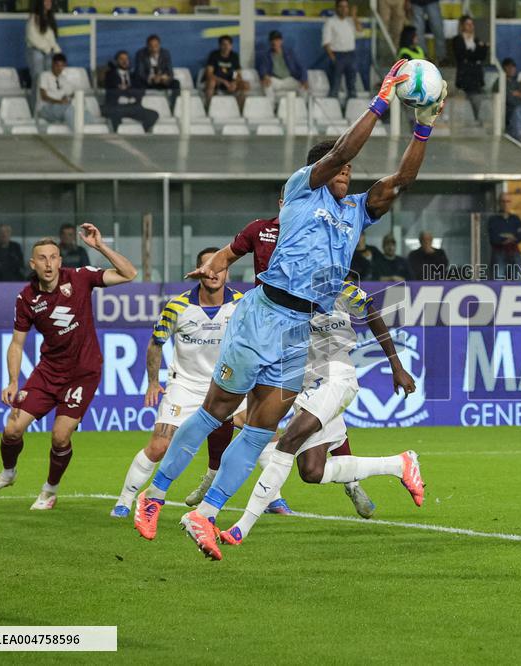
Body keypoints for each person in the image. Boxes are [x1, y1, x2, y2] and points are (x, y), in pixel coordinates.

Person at [131, 62, 442, 559]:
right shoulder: (302, 189)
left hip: (300, 330)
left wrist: (424, 123)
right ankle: (155, 495)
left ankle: (205, 514)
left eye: (350, 171)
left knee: (259, 432)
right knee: (216, 411)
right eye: (340, 168)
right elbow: (341, 149)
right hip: (263, 314)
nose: (347, 172)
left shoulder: (357, 210)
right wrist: (381, 101)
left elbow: (404, 176)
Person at [197, 208, 382, 518]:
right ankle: (264, 497)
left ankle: (249, 510)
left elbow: (372, 310)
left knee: (300, 443)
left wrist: (396, 364)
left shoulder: (333, 287)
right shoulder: (267, 301)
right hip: (293, 370)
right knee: (287, 439)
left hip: (323, 372)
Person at [217, 277, 417, 547]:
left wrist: (396, 366)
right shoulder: (282, 294)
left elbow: (373, 315)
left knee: (287, 442)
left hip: (337, 376)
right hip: (304, 383)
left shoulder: (340, 289)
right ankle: (399, 464)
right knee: (312, 471)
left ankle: (242, 527)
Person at [0, 224, 136, 510]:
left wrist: (100, 247)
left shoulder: (80, 277)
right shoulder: (26, 298)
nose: (48, 263)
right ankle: (8, 474)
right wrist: (13, 382)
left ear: (60, 261)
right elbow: (16, 344)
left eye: (53, 257)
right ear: (32, 263)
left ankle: (49, 490)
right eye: (42, 258)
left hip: (83, 372)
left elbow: (129, 273)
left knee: (60, 436)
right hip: (48, 372)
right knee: (12, 429)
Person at [111, 248, 243, 519]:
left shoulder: (241, 304)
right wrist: (152, 382)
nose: (215, 273)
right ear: (198, 272)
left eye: (220, 268)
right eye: (208, 268)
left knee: (266, 432)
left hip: (226, 385)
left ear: (227, 271)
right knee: (159, 445)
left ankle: (273, 499)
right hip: (185, 386)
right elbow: (155, 343)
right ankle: (125, 499)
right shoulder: (178, 306)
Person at [103, 51, 159, 133]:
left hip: (134, 107)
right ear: (116, 61)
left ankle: (142, 134)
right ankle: (118, 138)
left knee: (153, 115)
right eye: (121, 59)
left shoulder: (134, 76)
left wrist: (126, 89)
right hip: (117, 107)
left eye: (126, 59)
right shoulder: (110, 75)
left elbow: (141, 92)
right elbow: (113, 92)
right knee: (114, 115)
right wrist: (131, 91)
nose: (124, 61)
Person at [37, 54, 95, 131]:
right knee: (69, 110)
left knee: (85, 112)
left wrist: (69, 97)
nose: (59, 68)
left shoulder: (63, 79)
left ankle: (89, 134)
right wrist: (59, 101)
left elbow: (71, 93)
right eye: (57, 65)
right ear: (52, 64)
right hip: (46, 108)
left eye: (62, 66)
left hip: (60, 107)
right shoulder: (45, 75)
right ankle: (78, 134)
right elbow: (43, 96)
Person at [453, 15, 489, 123]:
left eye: (472, 24)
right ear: (462, 26)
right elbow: (461, 55)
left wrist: (472, 54)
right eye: (468, 24)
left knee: (478, 101)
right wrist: (476, 53)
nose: (470, 26)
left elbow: (482, 56)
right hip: (465, 76)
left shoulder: (476, 40)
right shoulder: (458, 40)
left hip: (476, 77)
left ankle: (478, 121)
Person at [323, 0, 361, 101]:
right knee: (335, 85)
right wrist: (333, 58)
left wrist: (354, 16)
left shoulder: (350, 21)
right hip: (337, 55)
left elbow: (360, 30)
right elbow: (326, 43)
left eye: (346, 7)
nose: (344, 9)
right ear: (336, 8)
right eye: (341, 7)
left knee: (352, 85)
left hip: (351, 55)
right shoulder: (330, 22)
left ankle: (351, 107)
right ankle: (332, 107)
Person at [257, 30, 308, 100]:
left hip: (289, 79)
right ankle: (271, 108)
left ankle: (303, 107)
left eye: (277, 40)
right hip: (276, 80)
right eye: (273, 40)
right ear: (270, 42)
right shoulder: (266, 55)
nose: (275, 42)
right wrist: (265, 76)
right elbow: (262, 68)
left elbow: (302, 67)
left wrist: (304, 79)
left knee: (303, 86)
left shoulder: (290, 53)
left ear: (281, 41)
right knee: (267, 85)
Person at [26, 0, 59, 100]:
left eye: (50, 1)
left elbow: (52, 39)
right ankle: (36, 110)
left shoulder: (49, 19)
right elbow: (32, 37)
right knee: (38, 82)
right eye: (46, 1)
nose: (49, 2)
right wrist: (47, 48)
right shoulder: (33, 19)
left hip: (48, 53)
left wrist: (57, 52)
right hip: (36, 52)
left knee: (48, 82)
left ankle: (46, 108)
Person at [488, 194, 521, 279]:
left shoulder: (515, 218)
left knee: (517, 279)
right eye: (503, 201)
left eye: (508, 201)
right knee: (499, 279)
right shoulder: (493, 219)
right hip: (499, 253)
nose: (506, 204)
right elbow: (494, 238)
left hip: (514, 253)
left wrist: (505, 236)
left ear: (511, 203)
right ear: (499, 203)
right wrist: (511, 237)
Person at [205, 35, 249, 107]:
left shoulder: (234, 56)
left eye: (228, 44)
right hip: (218, 81)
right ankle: (209, 108)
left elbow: (237, 73)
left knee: (245, 85)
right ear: (220, 46)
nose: (226, 47)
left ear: (231, 46)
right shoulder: (214, 55)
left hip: (230, 82)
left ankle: (241, 110)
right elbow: (209, 74)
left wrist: (234, 82)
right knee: (211, 82)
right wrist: (223, 82)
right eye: (223, 44)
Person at [134, 34, 179, 102]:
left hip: (162, 81)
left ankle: (173, 105)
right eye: (151, 46)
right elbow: (140, 73)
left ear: (159, 45)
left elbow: (170, 72)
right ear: (147, 46)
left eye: (156, 46)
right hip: (148, 82)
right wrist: (152, 78)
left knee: (176, 83)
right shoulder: (141, 54)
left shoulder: (165, 53)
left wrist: (165, 78)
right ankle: (140, 104)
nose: (154, 48)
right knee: (138, 83)